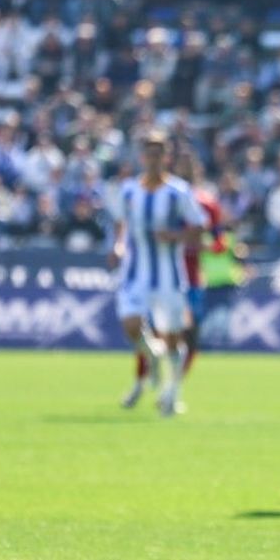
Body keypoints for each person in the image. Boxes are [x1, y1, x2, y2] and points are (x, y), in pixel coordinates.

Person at [110, 132, 205, 417]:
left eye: (158, 153)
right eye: (148, 153)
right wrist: (117, 246)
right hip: (135, 273)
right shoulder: (128, 191)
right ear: (142, 157)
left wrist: (176, 236)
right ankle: (152, 356)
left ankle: (172, 393)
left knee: (175, 338)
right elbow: (120, 224)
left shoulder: (178, 191)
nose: (153, 159)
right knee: (130, 323)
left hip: (169, 276)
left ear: (166, 157)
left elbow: (199, 226)